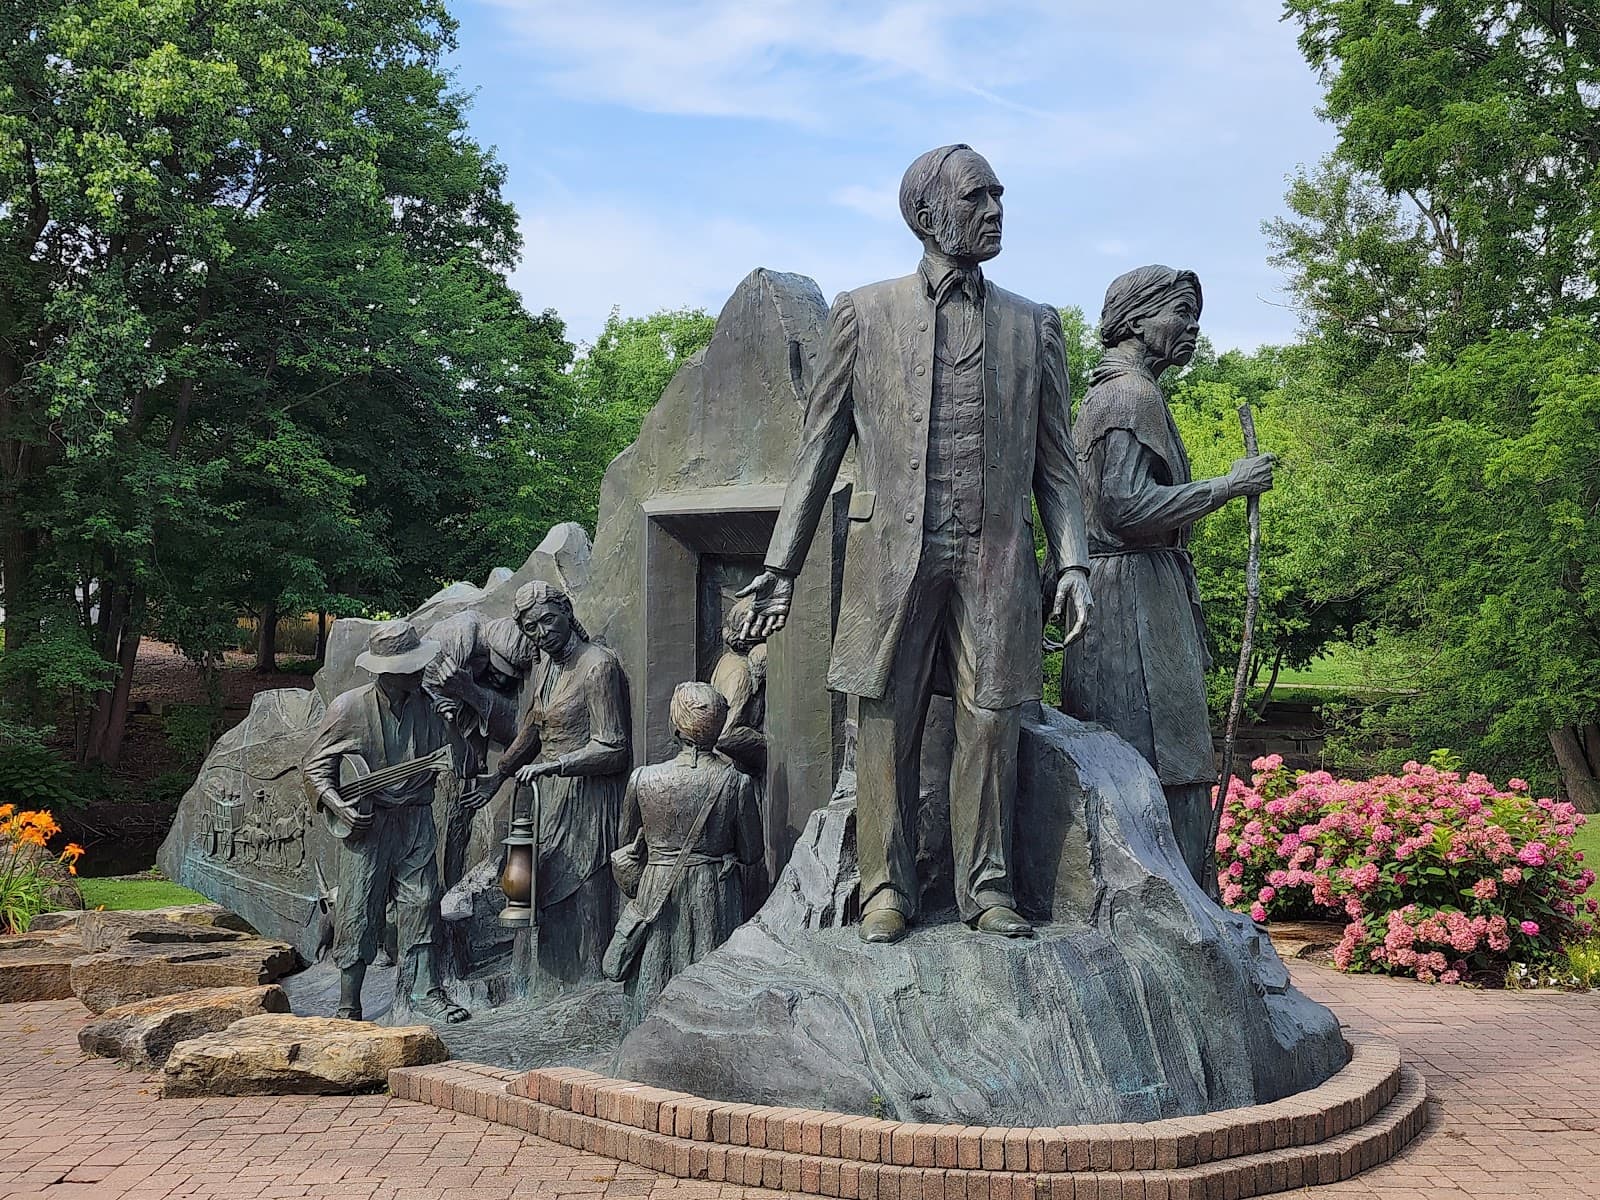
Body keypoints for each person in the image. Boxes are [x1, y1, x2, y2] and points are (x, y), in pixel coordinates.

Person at [739, 144, 1092, 944]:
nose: (998, 211)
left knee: (993, 719)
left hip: (994, 554)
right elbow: (819, 448)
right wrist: (778, 565)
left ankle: (988, 886)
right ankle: (884, 887)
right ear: (929, 216)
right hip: (889, 555)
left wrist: (1070, 558)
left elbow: (1057, 466)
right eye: (980, 198)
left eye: (1002, 197)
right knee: (885, 718)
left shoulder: (1034, 325)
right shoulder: (865, 312)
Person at [1063, 265, 1274, 884]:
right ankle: (1183, 904)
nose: (1192, 327)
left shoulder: (1118, 393)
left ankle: (1186, 901)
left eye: (1195, 314)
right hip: (1131, 604)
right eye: (1180, 312)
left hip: (1134, 592)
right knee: (1163, 762)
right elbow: (1124, 506)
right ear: (1134, 319)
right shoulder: (1130, 396)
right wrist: (1225, 487)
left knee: (1157, 760)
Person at [301, 620, 470, 1023]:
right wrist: (337, 806)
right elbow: (314, 768)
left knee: (424, 900)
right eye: (410, 667)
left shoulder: (430, 706)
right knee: (359, 910)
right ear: (388, 671)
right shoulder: (350, 708)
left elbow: (460, 766)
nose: (418, 672)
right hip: (369, 825)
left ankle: (426, 990)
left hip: (415, 819)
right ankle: (348, 1004)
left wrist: (452, 726)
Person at [477, 581, 631, 988]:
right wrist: (502, 771)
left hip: (587, 798)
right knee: (533, 887)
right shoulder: (546, 665)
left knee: (579, 892)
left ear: (567, 612)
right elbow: (534, 723)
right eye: (532, 628)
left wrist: (558, 766)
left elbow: (613, 746)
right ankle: (540, 985)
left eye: (548, 620)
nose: (543, 633)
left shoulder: (598, 665)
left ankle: (586, 985)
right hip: (548, 798)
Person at [609, 681, 763, 1027]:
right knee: (708, 970)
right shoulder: (736, 783)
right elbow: (752, 854)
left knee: (655, 963)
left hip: (657, 889)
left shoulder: (643, 779)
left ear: (675, 725)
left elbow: (627, 842)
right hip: (714, 894)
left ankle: (643, 1037)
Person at [421, 608, 537, 888]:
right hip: (434, 765)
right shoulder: (457, 637)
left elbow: (519, 728)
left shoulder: (489, 660)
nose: (502, 681)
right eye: (497, 671)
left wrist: (470, 692)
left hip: (470, 756)